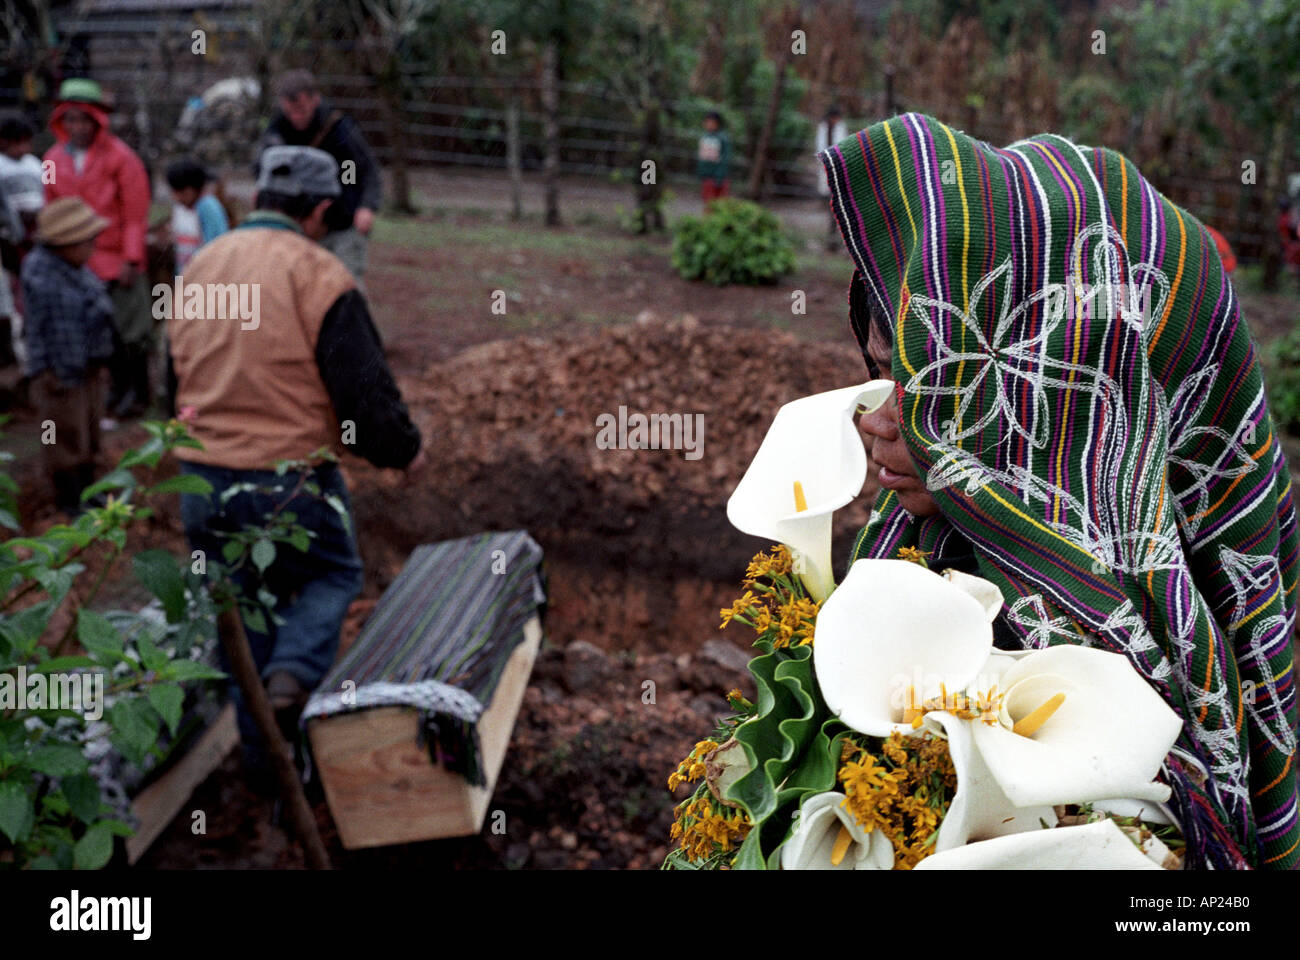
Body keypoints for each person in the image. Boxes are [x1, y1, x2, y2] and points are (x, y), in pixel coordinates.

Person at [821, 113, 1299, 870]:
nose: (878, 420)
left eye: (932, 389)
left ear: (1069, 410)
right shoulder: (914, 554)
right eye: (885, 371)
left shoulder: (1157, 774)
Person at [168, 145, 421, 775]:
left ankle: (268, 767)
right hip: (290, 479)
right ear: (323, 210)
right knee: (331, 573)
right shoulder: (320, 274)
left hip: (202, 477)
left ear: (257, 199)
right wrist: (401, 450)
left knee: (243, 615)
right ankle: (297, 674)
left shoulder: (200, 266)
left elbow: (170, 374)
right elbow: (363, 396)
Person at [43, 78, 152, 420]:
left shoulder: (122, 158)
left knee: (128, 334)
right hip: (74, 262)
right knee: (92, 336)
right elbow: (51, 208)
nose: (77, 127)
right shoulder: (51, 160)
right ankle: (110, 396)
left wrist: (131, 258)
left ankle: (137, 395)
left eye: (84, 119)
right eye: (71, 119)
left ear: (97, 121)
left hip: (114, 257)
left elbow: (136, 212)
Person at [19, 198, 114, 515]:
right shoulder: (41, 275)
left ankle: (88, 492)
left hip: (86, 367)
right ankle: (69, 501)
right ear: (65, 244)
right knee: (63, 438)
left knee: (87, 432)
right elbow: (42, 329)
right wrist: (48, 371)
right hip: (59, 374)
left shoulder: (76, 270)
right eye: (88, 241)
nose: (93, 247)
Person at [256, 70, 380, 283]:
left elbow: (362, 169)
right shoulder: (277, 130)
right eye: (290, 111)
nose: (296, 117)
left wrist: (363, 205)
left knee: (344, 283)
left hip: (341, 222)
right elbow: (262, 167)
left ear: (316, 100)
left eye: (302, 110)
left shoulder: (339, 129)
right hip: (299, 226)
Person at [0, 112, 45, 369]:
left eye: (26, 142)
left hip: (35, 232)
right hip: (9, 238)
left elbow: (46, 194)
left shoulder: (35, 165)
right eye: (17, 143)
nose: (23, 149)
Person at [164, 158, 229, 273]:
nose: (177, 198)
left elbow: (217, 247)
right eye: (174, 193)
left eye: (183, 193)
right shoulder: (181, 208)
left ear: (195, 189)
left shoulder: (208, 207)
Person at [814, 106, 847, 246]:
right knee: (832, 205)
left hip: (837, 169)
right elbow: (819, 148)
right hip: (825, 168)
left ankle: (834, 239)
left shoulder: (840, 128)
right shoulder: (823, 128)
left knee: (837, 205)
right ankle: (831, 239)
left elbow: (843, 146)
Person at [696, 110, 731, 207]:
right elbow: (702, 158)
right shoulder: (704, 137)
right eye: (707, 122)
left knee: (720, 205)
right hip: (707, 177)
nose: (708, 124)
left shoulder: (723, 139)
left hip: (719, 178)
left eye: (711, 122)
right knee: (708, 203)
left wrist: (719, 177)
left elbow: (725, 159)